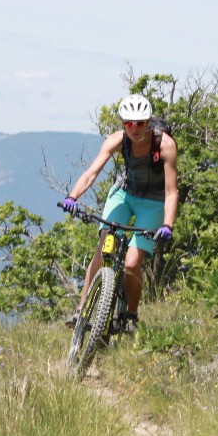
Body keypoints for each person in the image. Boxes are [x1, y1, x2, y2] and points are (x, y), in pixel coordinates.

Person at [60, 94, 178, 332]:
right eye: (128, 123)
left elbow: (171, 190)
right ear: (123, 123)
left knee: (133, 263)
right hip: (124, 193)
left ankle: (130, 316)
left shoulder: (165, 145)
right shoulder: (117, 140)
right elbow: (92, 173)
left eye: (140, 123)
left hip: (153, 201)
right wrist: (73, 197)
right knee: (106, 246)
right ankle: (82, 311)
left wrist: (167, 224)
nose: (134, 129)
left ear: (148, 123)